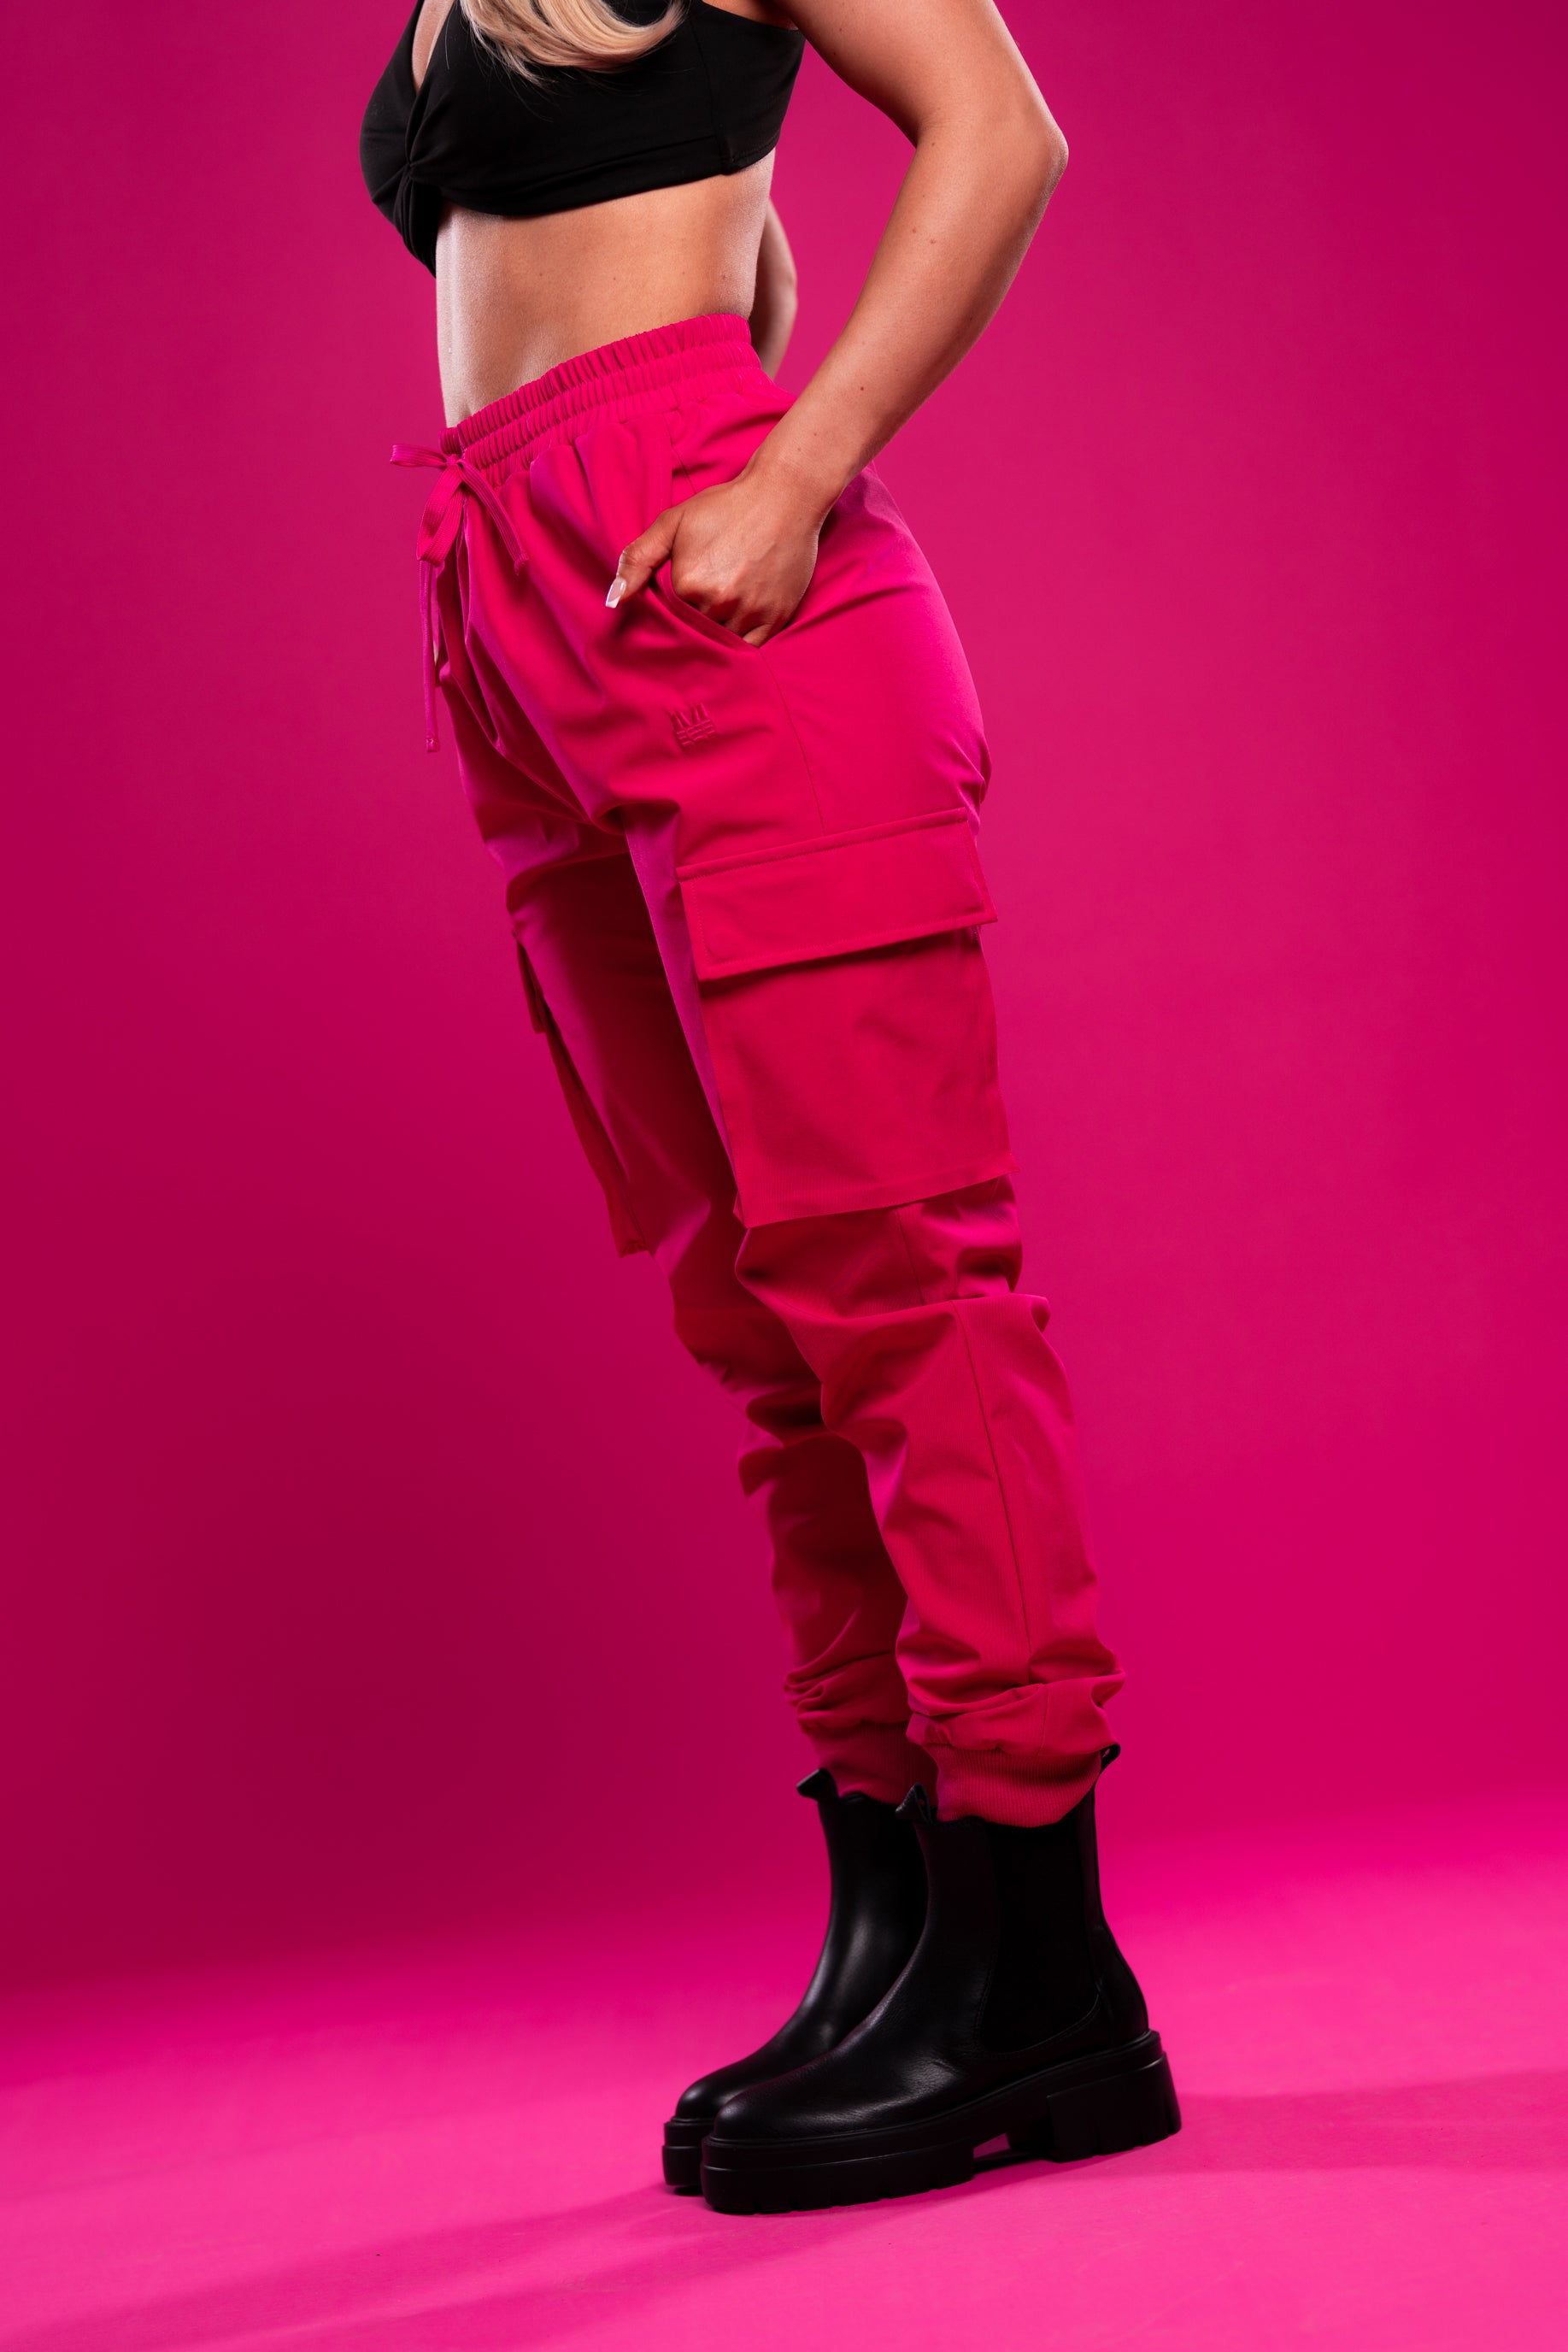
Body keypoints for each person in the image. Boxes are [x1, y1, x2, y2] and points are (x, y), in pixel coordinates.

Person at [361, 0, 1178, 2214]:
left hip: (734, 613)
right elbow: (726, 233)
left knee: (900, 1287)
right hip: (522, 626)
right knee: (756, 1315)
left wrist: (795, 470)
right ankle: (897, 1923)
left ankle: (1037, 1954)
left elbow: (998, 133)